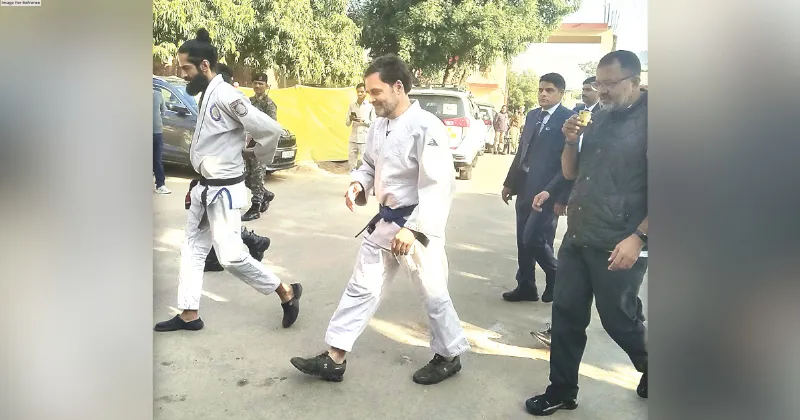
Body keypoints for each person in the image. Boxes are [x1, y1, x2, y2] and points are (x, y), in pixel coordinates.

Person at [290, 55, 470, 385]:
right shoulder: (378, 125)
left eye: (376, 92)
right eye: (369, 93)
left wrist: (414, 229)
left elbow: (438, 183)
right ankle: (335, 356)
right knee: (361, 288)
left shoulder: (426, 127)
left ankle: (449, 355)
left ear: (398, 87)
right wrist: (358, 183)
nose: (371, 99)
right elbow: (369, 165)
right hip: (384, 223)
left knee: (432, 294)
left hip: (415, 227)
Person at [524, 50, 649, 416]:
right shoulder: (595, 115)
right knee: (566, 314)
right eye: (598, 83)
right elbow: (570, 172)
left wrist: (638, 237)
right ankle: (562, 389)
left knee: (619, 320)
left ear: (634, 81)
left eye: (610, 84)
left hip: (621, 240)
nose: (602, 91)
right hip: (579, 234)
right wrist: (569, 140)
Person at [154, 28, 303, 333]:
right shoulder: (207, 93)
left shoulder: (226, 95)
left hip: (224, 190)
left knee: (231, 257)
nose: (183, 75)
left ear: (205, 66)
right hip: (205, 186)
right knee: (193, 250)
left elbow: (270, 130)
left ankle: (285, 291)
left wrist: (257, 157)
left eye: (186, 68)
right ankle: (189, 314)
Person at [500, 73, 574, 304]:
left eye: (549, 90)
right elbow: (522, 152)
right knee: (522, 239)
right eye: (541, 89)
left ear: (561, 93)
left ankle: (557, 277)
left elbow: (570, 164)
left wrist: (562, 197)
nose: (543, 94)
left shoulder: (569, 119)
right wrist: (509, 183)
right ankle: (526, 286)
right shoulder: (533, 116)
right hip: (525, 187)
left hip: (549, 191)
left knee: (537, 239)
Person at [241, 72, 278, 221]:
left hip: (260, 145)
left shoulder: (269, 105)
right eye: (255, 83)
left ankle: (255, 207)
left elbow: (272, 127)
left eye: (260, 83)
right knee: (244, 177)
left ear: (266, 86)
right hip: (246, 144)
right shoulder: (247, 102)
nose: (257, 86)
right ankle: (265, 194)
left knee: (257, 177)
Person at [345, 82, 376, 171]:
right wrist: (351, 119)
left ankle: (363, 182)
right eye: (358, 92)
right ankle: (353, 180)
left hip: (364, 139)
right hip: (353, 138)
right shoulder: (352, 105)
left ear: (366, 92)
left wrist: (363, 121)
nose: (359, 94)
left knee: (364, 163)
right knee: (351, 162)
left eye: (362, 92)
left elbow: (374, 123)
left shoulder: (370, 105)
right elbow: (347, 123)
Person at [153, 88, 171, 194]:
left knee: (157, 160)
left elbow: (164, 111)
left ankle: (160, 185)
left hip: (157, 132)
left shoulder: (158, 95)